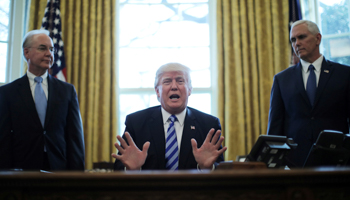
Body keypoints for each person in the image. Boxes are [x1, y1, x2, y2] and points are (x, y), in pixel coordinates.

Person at [112, 62, 227, 170]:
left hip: (193, 191)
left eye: (180, 81)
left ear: (189, 90)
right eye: (167, 81)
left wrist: (206, 168)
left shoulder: (209, 125)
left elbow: (221, 170)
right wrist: (133, 169)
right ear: (157, 91)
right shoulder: (136, 122)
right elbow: (119, 167)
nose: (174, 86)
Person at [267, 20, 350, 168]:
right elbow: (275, 127)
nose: (296, 43)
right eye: (293, 40)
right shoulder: (282, 79)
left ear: (318, 38)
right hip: (295, 163)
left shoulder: (344, 74)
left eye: (301, 37)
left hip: (337, 160)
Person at [0, 29, 85, 171]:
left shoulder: (67, 91)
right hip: (21, 173)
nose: (49, 53)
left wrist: (77, 177)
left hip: (59, 170)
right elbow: (3, 139)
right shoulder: (7, 92)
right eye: (42, 48)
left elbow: (75, 138)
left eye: (51, 49)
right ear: (26, 52)